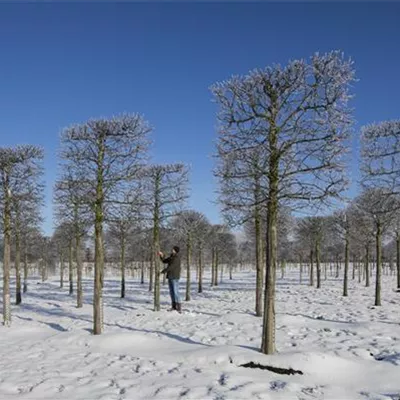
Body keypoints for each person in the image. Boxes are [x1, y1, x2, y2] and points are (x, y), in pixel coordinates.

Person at [158, 246, 182, 313]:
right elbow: (164, 261)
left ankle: (179, 307)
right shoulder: (172, 257)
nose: (172, 250)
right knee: (171, 292)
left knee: (175, 292)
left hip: (174, 277)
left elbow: (171, 267)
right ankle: (173, 306)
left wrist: (163, 271)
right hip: (170, 276)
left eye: (173, 249)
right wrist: (161, 255)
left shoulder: (177, 258)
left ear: (175, 250)